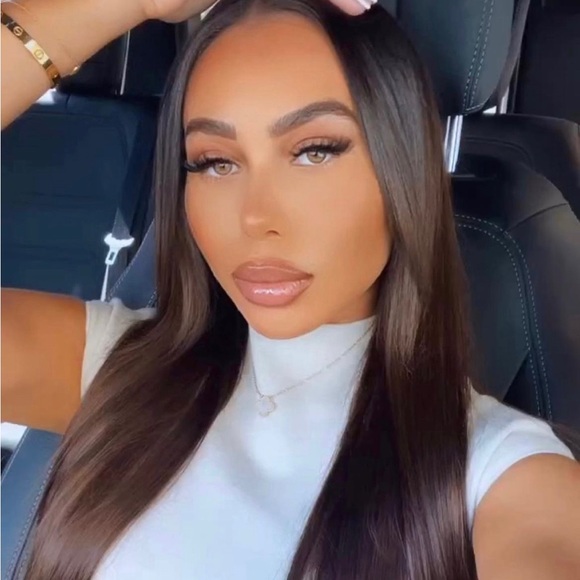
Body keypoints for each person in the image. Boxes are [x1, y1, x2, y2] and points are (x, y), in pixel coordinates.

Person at [1, 0, 579, 578]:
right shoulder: (115, 367)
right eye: (215, 161)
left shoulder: (505, 477)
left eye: (313, 151)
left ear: (403, 170)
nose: (255, 218)